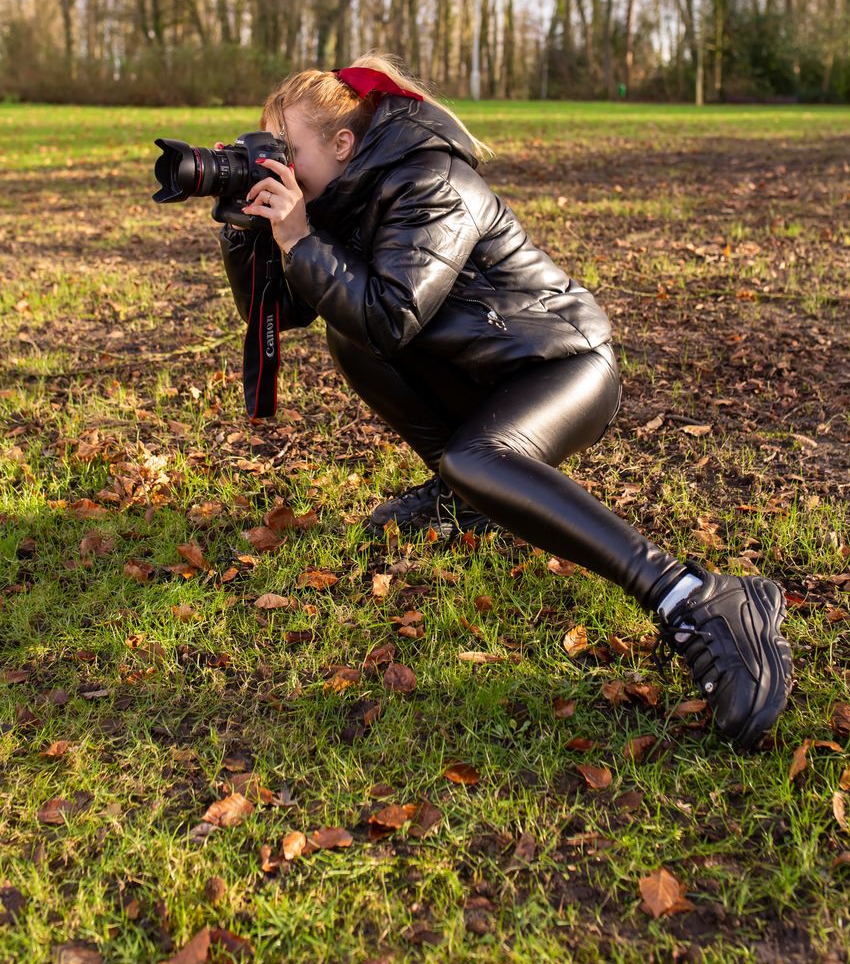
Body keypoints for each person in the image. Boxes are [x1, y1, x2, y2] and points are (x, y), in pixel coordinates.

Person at [217, 51, 793, 752]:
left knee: (472, 446)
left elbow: (388, 314)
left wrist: (300, 236)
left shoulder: (431, 180)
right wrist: (247, 232)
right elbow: (292, 312)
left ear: (342, 144)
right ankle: (470, 498)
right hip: (483, 371)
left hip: (562, 365)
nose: (274, 164)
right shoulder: (337, 197)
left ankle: (697, 600)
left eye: (285, 151)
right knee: (357, 344)